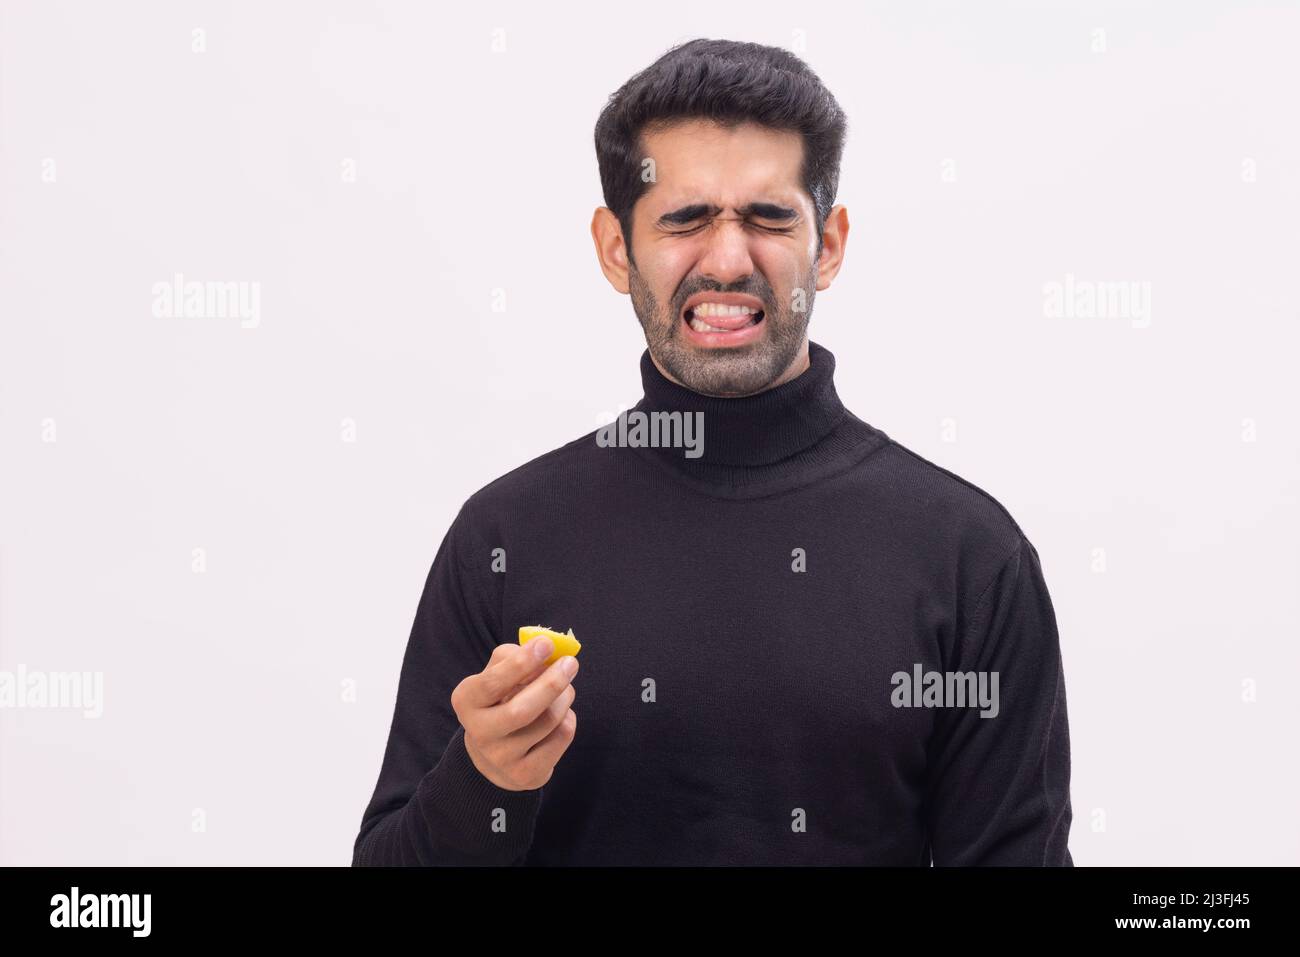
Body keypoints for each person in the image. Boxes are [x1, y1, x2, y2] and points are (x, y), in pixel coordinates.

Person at [353, 38, 1072, 866]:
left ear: (828, 245)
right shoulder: (503, 538)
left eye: (769, 217)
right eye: (685, 219)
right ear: (616, 249)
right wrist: (482, 782)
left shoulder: (970, 557)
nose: (728, 260)